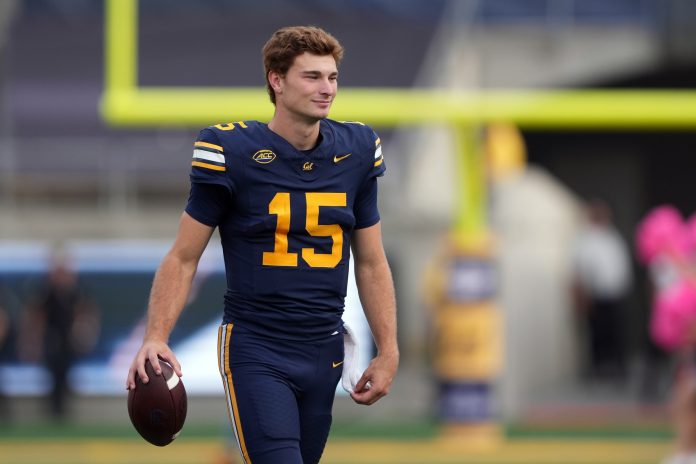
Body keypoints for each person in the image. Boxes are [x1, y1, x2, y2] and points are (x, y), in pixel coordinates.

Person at [125, 26, 399, 464]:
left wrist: (388, 349)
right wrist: (156, 336)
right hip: (258, 347)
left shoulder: (358, 149)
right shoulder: (231, 150)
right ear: (276, 80)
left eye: (331, 77)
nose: (326, 89)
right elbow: (183, 256)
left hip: (324, 347)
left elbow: (370, 262)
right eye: (311, 77)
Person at [19, 252, 100, 420]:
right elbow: (37, 316)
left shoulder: (76, 291)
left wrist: (83, 333)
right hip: (52, 341)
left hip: (68, 342)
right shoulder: (46, 292)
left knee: (64, 376)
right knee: (53, 377)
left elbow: (85, 313)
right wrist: (33, 342)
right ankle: (54, 412)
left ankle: (62, 412)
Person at [572, 198, 633, 384]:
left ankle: (619, 368)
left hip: (615, 294)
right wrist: (581, 297)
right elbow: (578, 270)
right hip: (596, 295)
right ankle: (598, 369)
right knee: (597, 334)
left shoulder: (612, 237)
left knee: (617, 332)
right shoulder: (584, 239)